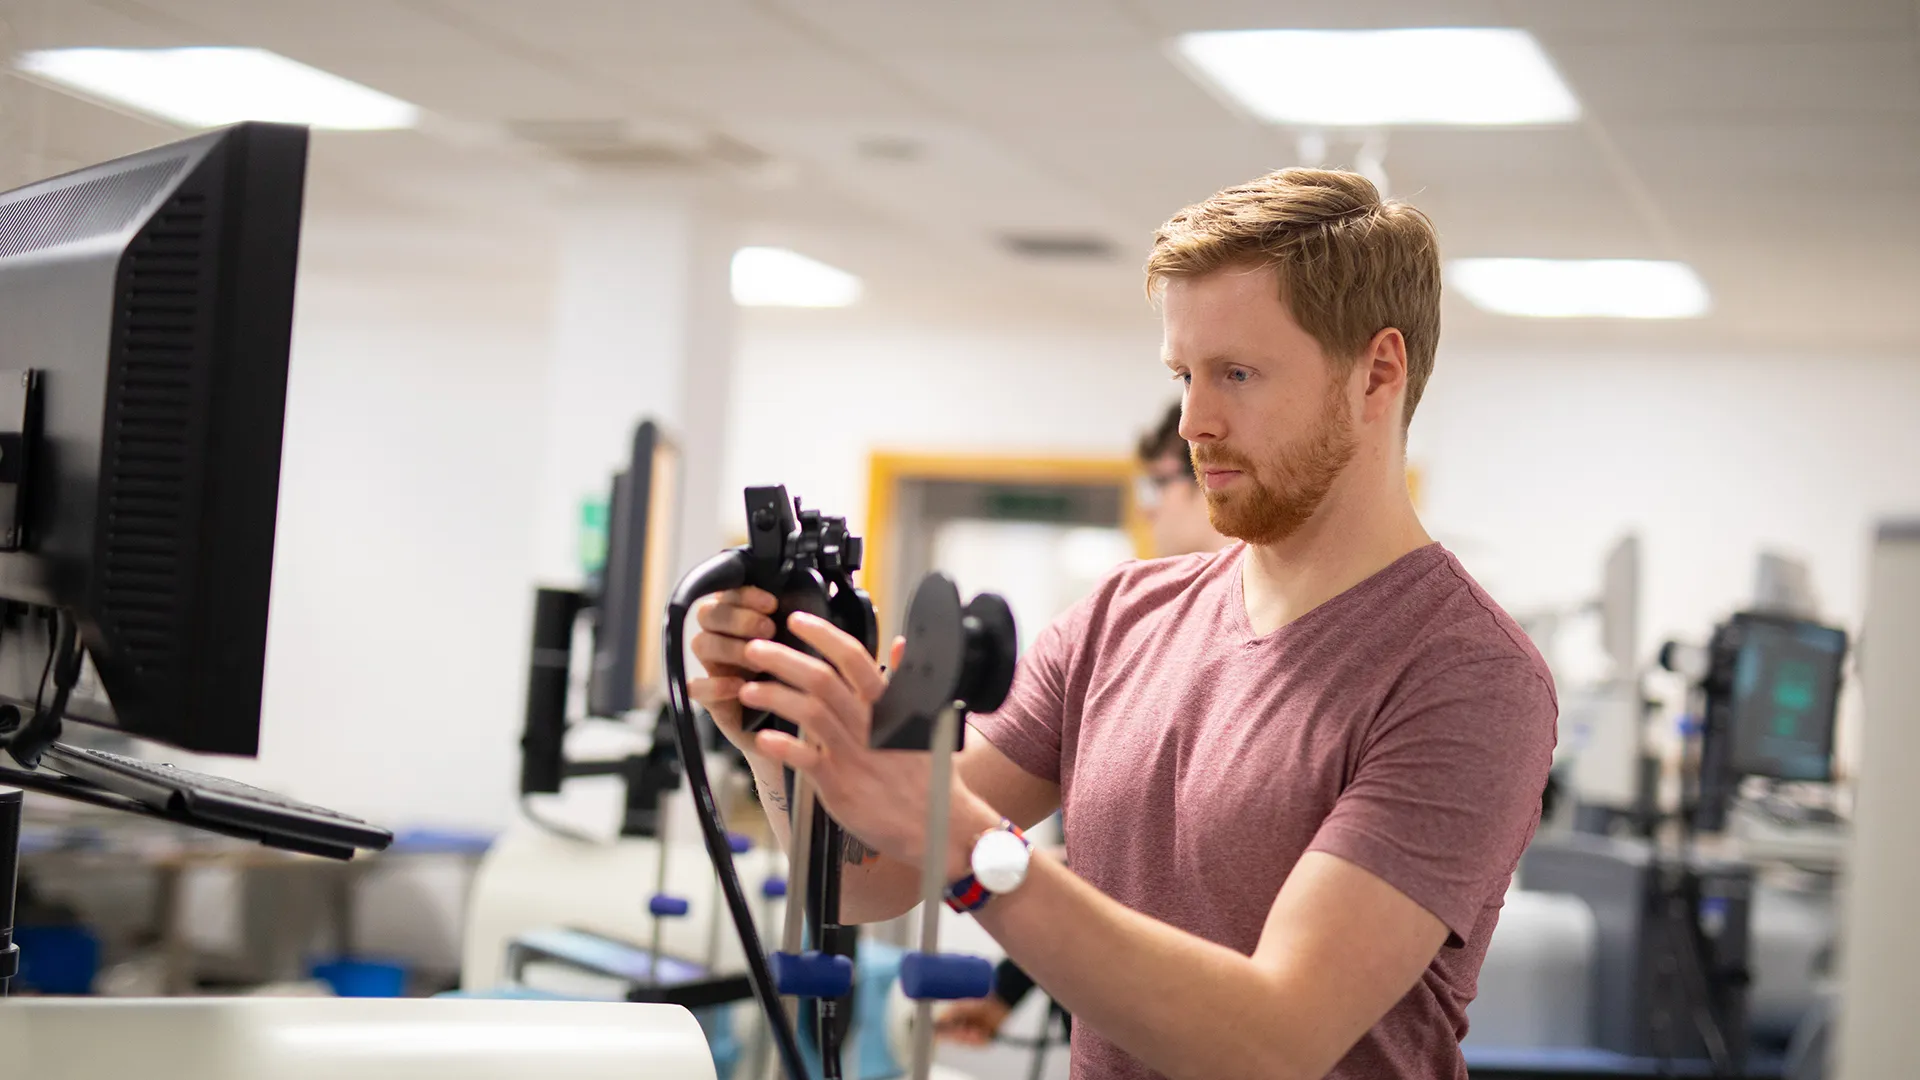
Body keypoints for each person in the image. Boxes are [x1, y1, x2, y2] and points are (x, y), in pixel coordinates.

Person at [691, 168, 1557, 1080]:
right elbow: (870, 879)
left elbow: (1275, 1039)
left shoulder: (1468, 674)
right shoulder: (1119, 620)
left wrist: (956, 835)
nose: (1193, 421)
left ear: (1377, 372)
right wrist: (774, 732)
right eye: (1184, 374)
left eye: (1238, 374)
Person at [934, 401, 1227, 1048]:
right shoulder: (1120, 633)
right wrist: (1007, 992)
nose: (1146, 506)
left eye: (1156, 484)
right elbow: (1103, 880)